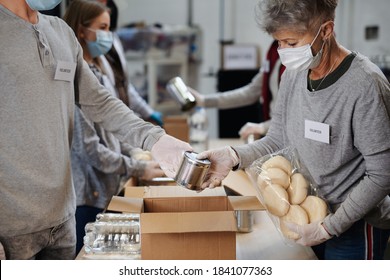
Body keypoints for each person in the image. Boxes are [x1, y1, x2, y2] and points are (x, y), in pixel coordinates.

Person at [198, 0, 390, 260]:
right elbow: (278, 139)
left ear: (326, 31)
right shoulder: (293, 74)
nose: (283, 52)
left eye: (291, 43)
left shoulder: (365, 84)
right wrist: (233, 156)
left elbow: (382, 174)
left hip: (355, 227)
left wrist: (328, 228)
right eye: (279, 43)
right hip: (306, 216)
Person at [0, 0, 191, 260]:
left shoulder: (61, 32)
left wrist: (155, 139)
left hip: (61, 219)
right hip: (10, 229)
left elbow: (99, 102)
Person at [62, 0, 165, 255]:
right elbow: (91, 150)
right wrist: (138, 164)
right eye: (103, 28)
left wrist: (140, 148)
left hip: (107, 185)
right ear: (82, 30)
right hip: (88, 192)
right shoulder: (75, 79)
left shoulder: (100, 68)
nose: (108, 36)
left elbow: (115, 120)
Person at [189, 40, 285, 140]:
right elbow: (251, 92)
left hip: (287, 134)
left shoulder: (295, 57)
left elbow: (296, 115)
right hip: (273, 134)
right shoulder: (274, 50)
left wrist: (263, 127)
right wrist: (203, 101)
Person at [95, 0, 164, 126]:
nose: (106, 33)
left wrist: (147, 112)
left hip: (118, 128)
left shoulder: (112, 39)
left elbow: (123, 83)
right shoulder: (87, 62)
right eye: (102, 27)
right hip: (108, 130)